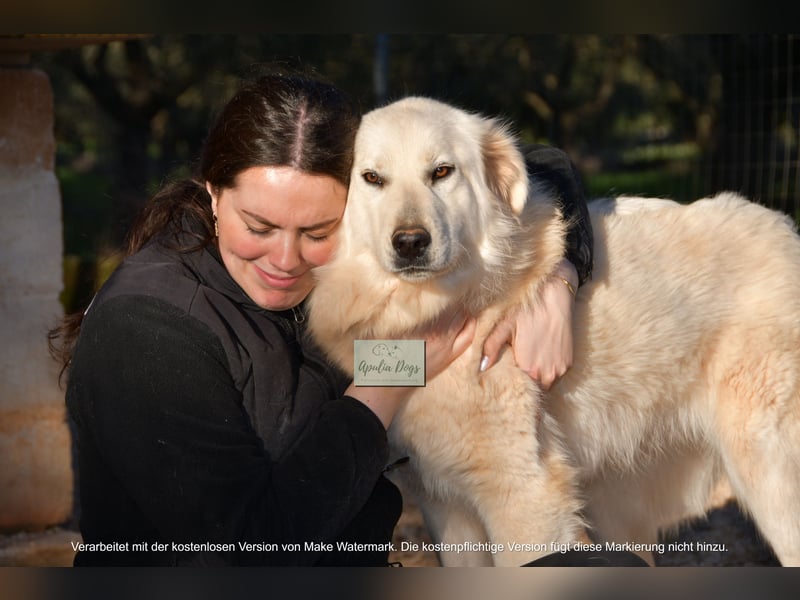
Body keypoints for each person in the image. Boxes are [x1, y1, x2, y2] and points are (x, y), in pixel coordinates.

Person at [49, 73, 593, 566]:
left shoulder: (316, 283)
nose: (286, 261)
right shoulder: (147, 334)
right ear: (212, 192)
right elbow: (250, 549)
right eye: (259, 227)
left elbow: (540, 164)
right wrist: (383, 388)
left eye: (316, 232)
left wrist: (558, 279)